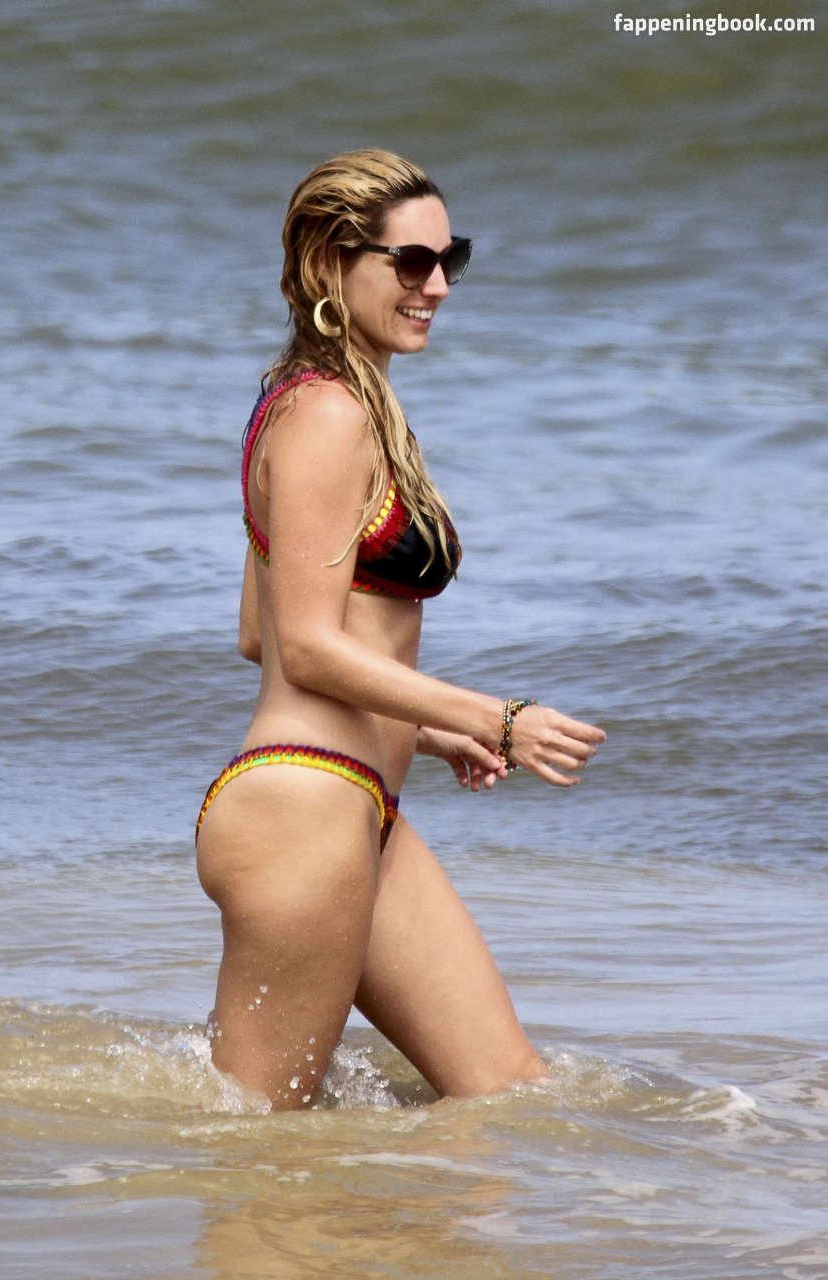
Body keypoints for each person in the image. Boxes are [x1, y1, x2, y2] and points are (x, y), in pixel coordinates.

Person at [195, 149, 606, 1111]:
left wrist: (421, 730)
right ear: (328, 264)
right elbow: (302, 646)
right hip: (300, 813)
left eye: (449, 260)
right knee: (259, 1146)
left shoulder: (334, 405)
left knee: (505, 1094)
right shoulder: (324, 415)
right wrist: (494, 717)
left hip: (358, 811)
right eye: (410, 262)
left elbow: (257, 634)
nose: (436, 286)